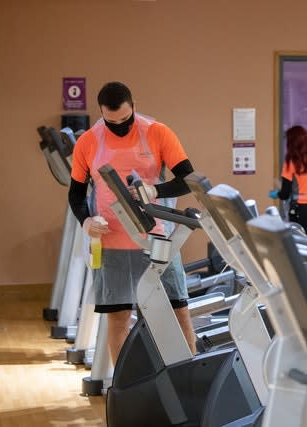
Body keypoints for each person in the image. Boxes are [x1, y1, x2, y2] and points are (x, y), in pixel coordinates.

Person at [68, 81, 197, 364]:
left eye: (125, 121)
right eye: (111, 122)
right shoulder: (89, 141)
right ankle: (122, 389)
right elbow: (76, 193)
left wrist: (156, 190)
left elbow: (187, 180)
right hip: (111, 240)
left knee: (179, 313)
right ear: (101, 113)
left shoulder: (157, 132)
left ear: (133, 107)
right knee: (117, 319)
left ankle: (189, 381)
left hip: (157, 238)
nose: (119, 127)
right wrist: (86, 220)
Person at [269, 125, 307, 236]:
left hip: (298, 210)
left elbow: (285, 194)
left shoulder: (290, 164)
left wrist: (275, 194)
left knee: (299, 246)